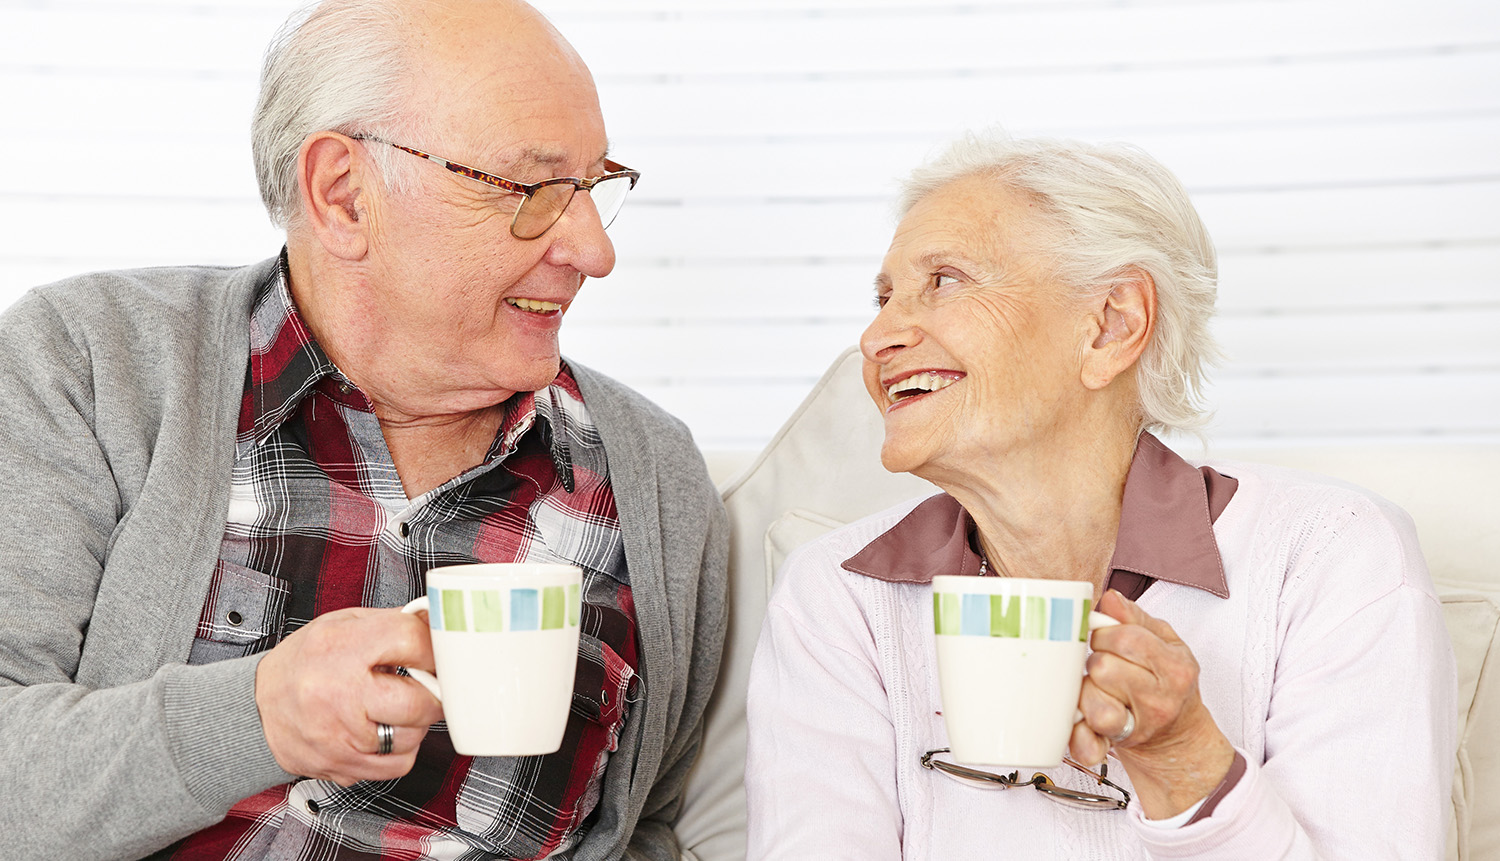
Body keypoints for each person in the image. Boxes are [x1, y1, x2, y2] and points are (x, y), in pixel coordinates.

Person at [0, 1, 727, 858]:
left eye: (592, 188)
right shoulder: (90, 364)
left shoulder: (653, 478)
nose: (595, 250)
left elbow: (647, 828)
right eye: (531, 190)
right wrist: (260, 714)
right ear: (344, 195)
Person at [744, 132, 1456, 858]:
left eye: (946, 280)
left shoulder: (1333, 556)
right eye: (884, 296)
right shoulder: (836, 598)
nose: (877, 336)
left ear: (1112, 324)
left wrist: (1184, 762)